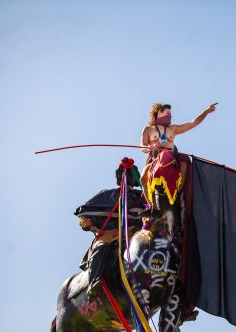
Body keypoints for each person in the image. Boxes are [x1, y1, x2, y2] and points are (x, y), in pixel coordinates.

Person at [75, 158, 145, 297]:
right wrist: (88, 223)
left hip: (134, 236)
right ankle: (93, 283)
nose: (127, 178)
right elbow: (83, 215)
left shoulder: (142, 197)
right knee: (101, 248)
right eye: (125, 174)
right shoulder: (107, 195)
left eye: (130, 174)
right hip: (109, 237)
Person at [139, 102, 217, 203]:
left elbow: (193, 123)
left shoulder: (173, 128)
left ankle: (179, 189)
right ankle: (151, 206)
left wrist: (206, 111)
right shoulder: (148, 129)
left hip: (171, 157)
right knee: (142, 178)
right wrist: (149, 147)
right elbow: (142, 147)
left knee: (184, 159)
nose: (170, 116)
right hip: (155, 157)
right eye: (167, 114)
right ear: (158, 113)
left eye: (170, 115)